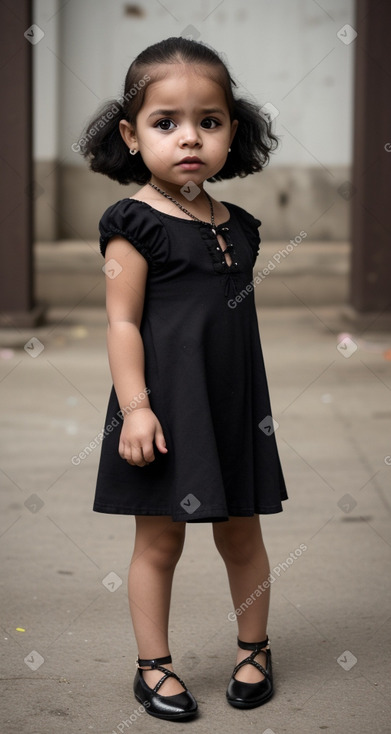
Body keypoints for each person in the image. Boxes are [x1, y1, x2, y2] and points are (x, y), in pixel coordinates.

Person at [80, 36, 288, 722]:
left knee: (242, 535)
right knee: (159, 539)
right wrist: (136, 410)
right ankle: (152, 666)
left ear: (235, 130)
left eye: (209, 120)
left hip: (231, 406)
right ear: (130, 135)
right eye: (164, 122)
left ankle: (253, 648)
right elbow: (121, 324)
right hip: (162, 408)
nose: (189, 138)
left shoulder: (242, 227)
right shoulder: (132, 225)